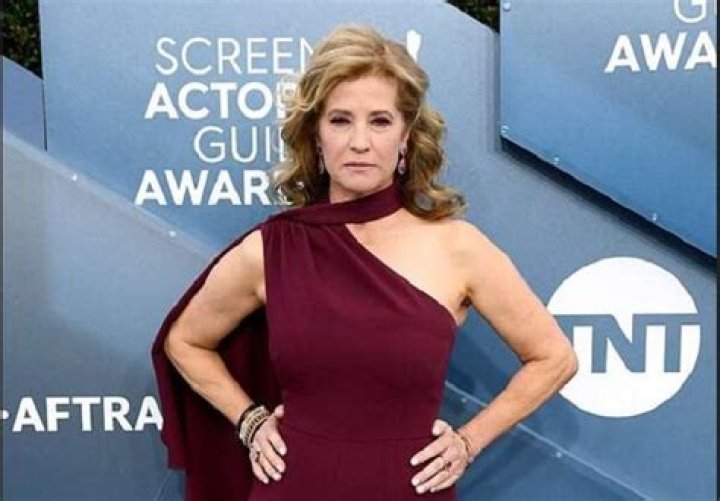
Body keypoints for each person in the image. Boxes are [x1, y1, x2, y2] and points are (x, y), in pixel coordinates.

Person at [152, 24, 578, 501]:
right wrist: (250, 421)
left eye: (379, 121)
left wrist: (468, 441)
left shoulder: (458, 247)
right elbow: (185, 341)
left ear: (406, 137)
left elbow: (554, 357)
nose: (360, 142)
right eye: (340, 120)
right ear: (316, 137)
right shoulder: (271, 250)